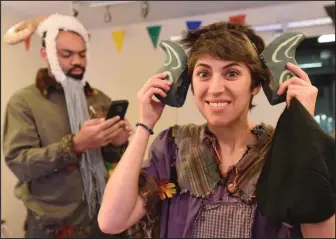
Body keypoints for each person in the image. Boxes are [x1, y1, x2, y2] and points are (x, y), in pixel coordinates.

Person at [97, 22, 335, 238]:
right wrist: (145, 123)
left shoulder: (283, 150)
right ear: (190, 86)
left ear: (255, 85)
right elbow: (111, 221)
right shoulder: (173, 148)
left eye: (231, 73)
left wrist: (303, 127)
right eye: (203, 74)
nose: (215, 88)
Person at [2, 14, 132, 238]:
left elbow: (109, 160)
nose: (77, 61)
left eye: (82, 54)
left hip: (100, 217)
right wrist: (74, 145)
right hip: (52, 225)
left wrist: (118, 144)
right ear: (46, 54)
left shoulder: (98, 99)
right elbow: (20, 163)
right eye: (66, 54)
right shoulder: (24, 102)